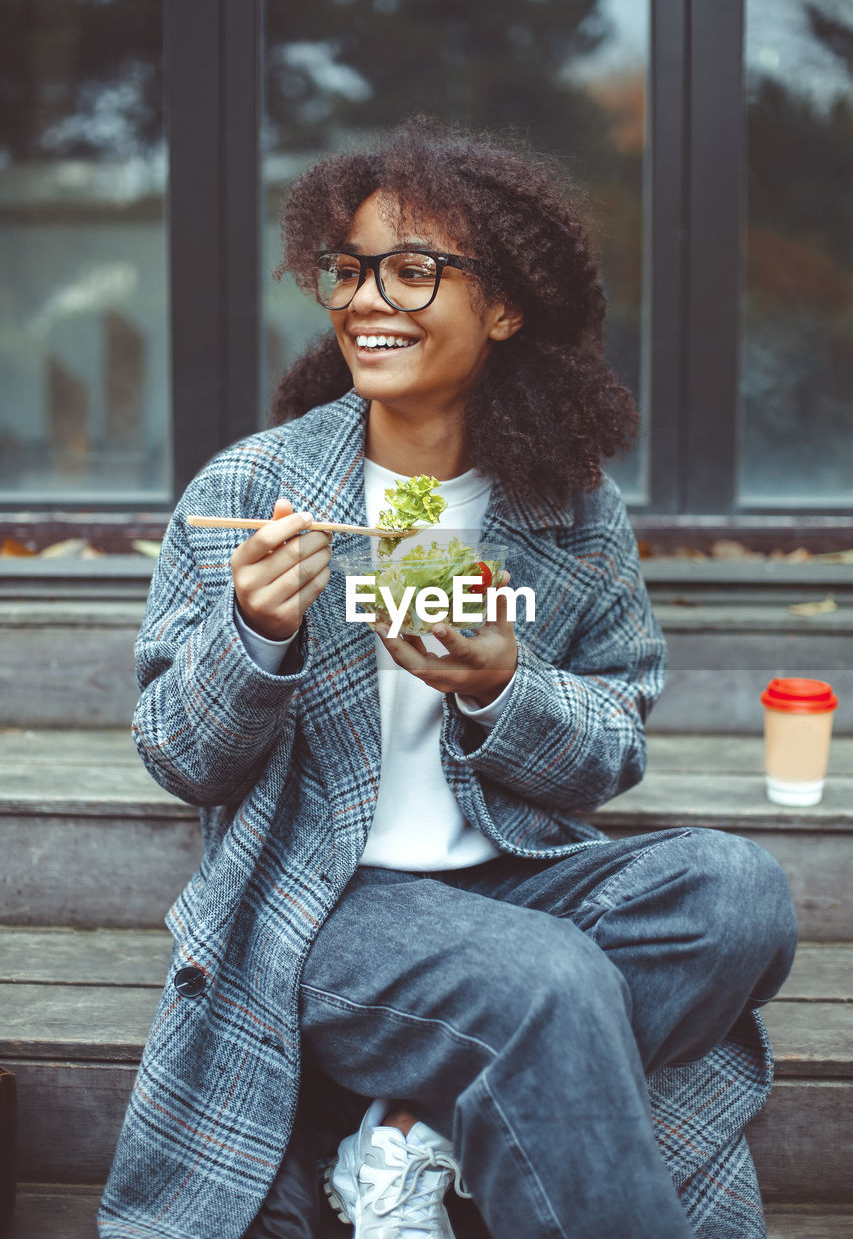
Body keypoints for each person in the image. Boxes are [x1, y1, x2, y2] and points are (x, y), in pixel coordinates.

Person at [98, 118, 797, 1239]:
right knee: (547, 982)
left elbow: (615, 738)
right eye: (349, 268)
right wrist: (253, 633)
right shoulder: (256, 485)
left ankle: (413, 1131)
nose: (366, 298)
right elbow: (176, 752)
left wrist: (501, 685)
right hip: (324, 908)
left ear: (504, 306)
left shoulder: (566, 505)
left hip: (516, 876)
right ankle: (471, 1104)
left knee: (739, 892)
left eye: (411, 270)